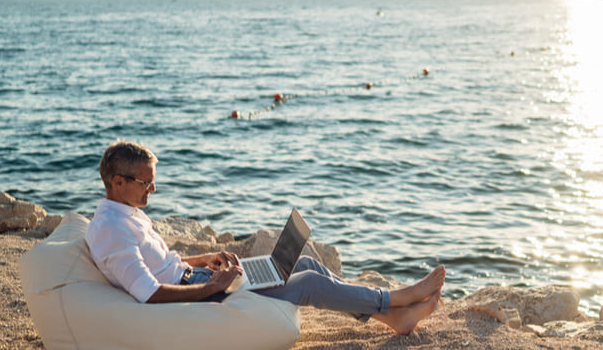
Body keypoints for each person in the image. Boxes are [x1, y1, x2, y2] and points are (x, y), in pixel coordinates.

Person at [84, 140, 444, 335]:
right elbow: (150, 293)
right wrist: (214, 286)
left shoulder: (126, 213)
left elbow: (163, 266)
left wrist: (204, 260)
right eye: (146, 183)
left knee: (301, 263)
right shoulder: (112, 231)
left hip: (201, 280)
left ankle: (392, 318)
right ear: (118, 182)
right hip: (202, 298)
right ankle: (396, 298)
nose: (153, 190)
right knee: (308, 284)